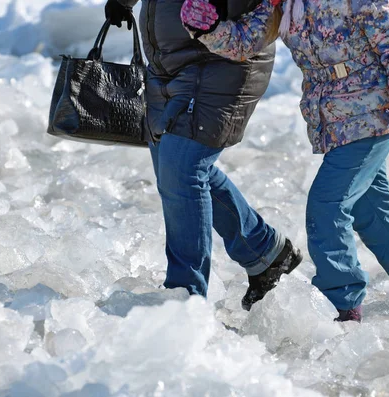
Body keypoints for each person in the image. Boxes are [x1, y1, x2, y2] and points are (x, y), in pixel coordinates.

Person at [182, 0, 389, 324]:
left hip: (370, 119)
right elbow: (244, 42)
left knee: (326, 207)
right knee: (370, 211)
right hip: (336, 125)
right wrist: (207, 28)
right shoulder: (283, 5)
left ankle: (341, 309)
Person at [104, 0, 303, 310]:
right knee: (176, 165)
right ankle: (263, 251)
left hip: (221, 58)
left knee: (182, 166)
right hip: (168, 62)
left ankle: (184, 299)